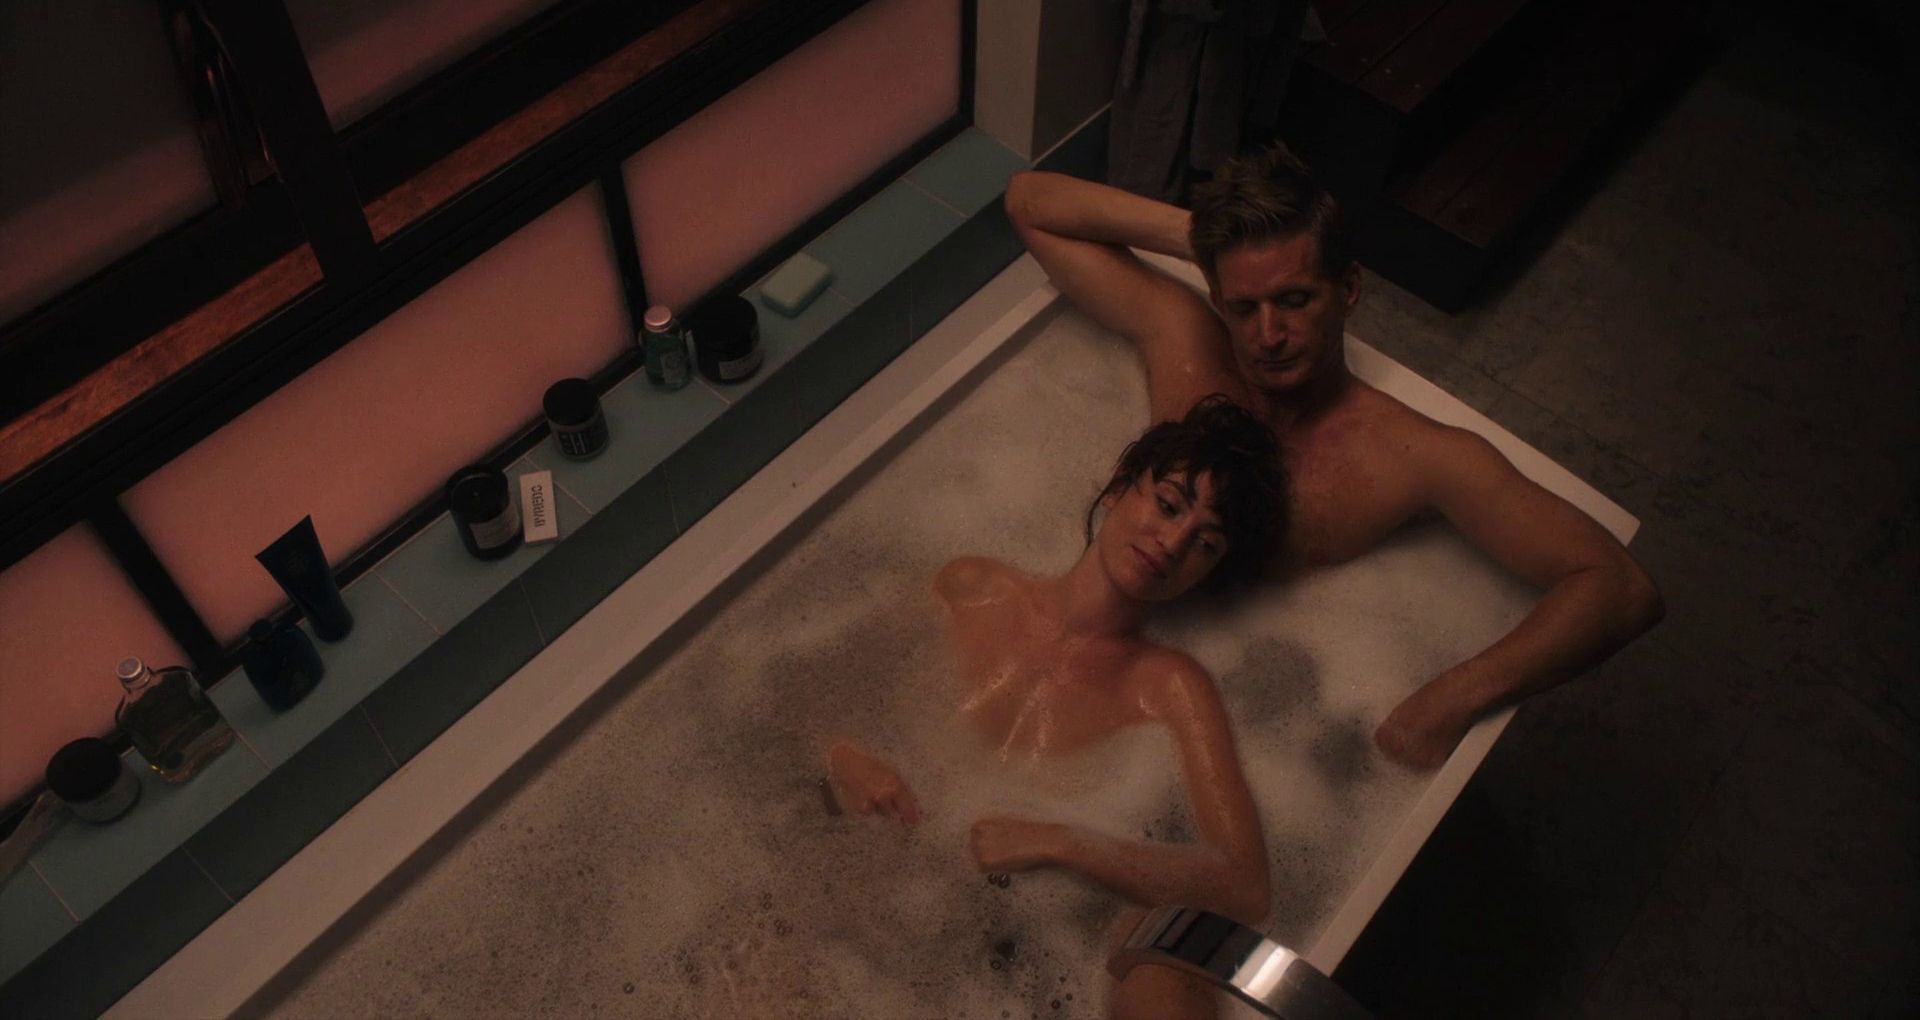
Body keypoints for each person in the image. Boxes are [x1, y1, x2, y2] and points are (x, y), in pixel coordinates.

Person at [1003, 144, 1664, 770]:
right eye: (1244, 306)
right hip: (1073, 664)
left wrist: (1448, 700)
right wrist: (1201, 240)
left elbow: (1619, 587)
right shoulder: (1188, 345)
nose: (1268, 335)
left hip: (1251, 705)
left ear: (1347, 289)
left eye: (1294, 299)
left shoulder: (1411, 456)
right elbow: (1028, 202)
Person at [826, 397, 1287, 1020]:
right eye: (1168, 504)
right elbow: (822, 677)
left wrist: (1061, 843)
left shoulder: (1170, 689)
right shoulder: (972, 586)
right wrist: (843, 755)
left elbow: (1245, 886)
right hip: (857, 876)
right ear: (1119, 489)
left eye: (1205, 544)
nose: (1173, 542)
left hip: (1005, 958)